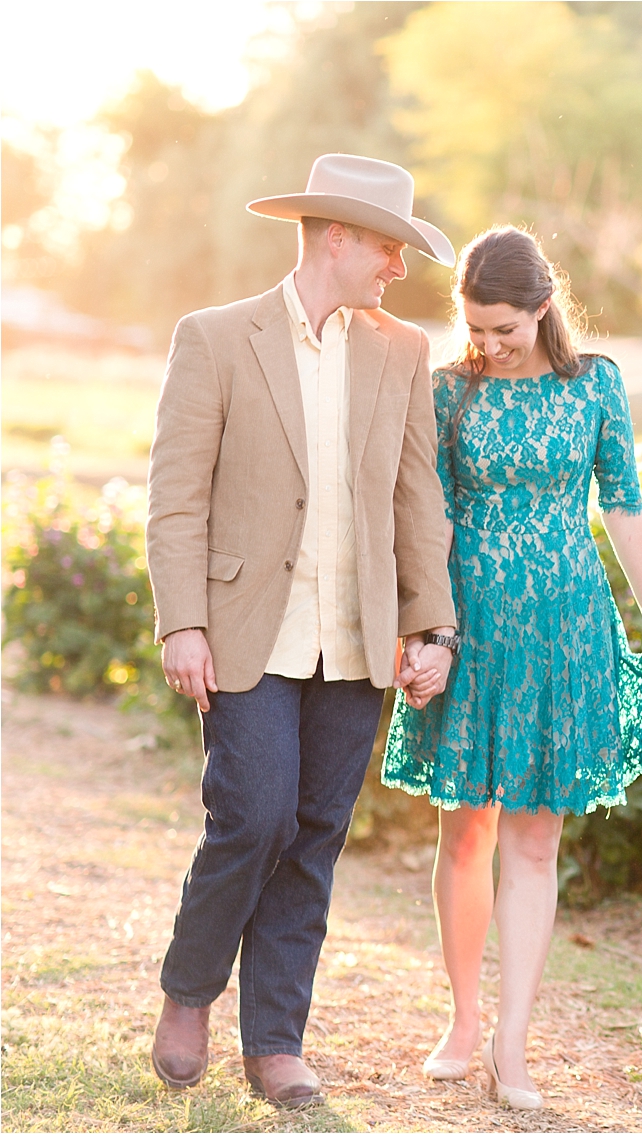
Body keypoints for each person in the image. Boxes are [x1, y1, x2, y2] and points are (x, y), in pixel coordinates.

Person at [145, 153, 459, 1108]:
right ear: (338, 238)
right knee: (252, 816)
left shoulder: (403, 352)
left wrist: (431, 626)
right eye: (387, 248)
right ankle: (190, 990)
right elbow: (175, 500)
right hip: (245, 630)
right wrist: (182, 623)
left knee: (316, 833)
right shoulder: (215, 338)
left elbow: (418, 497)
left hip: (356, 640)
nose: (397, 268)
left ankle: (276, 1041)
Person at [381, 226, 642, 1110]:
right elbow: (424, 519)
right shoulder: (448, 392)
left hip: (565, 630)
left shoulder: (596, 386)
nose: (488, 342)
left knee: (536, 838)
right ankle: (463, 1021)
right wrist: (423, 629)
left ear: (544, 308)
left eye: (503, 327)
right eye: (475, 326)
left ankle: (513, 1042)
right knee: (465, 828)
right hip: (469, 630)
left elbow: (623, 505)